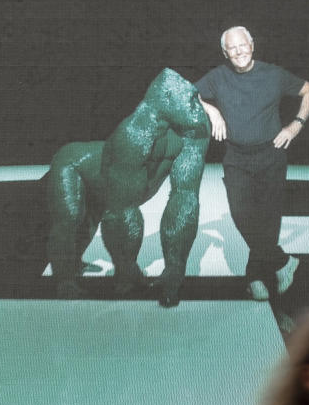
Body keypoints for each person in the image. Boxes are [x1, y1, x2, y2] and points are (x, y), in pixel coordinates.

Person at [46, 68, 210, 307]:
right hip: (75, 166)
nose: (198, 107)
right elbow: (122, 211)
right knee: (72, 218)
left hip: (118, 180)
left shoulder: (195, 129)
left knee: (99, 213)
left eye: (197, 98)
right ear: (167, 101)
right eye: (190, 100)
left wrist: (175, 267)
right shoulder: (135, 132)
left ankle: (108, 267)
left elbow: (185, 197)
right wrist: (126, 268)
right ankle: (64, 278)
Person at [196, 26, 309, 301]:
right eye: (232, 47)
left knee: (267, 223)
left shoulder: (273, 74)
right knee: (242, 217)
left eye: (243, 45)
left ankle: (254, 277)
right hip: (236, 158)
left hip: (270, 156)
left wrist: (295, 126)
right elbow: (185, 94)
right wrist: (212, 111)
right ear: (225, 52)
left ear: (252, 44)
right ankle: (283, 262)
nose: (239, 51)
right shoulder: (217, 78)